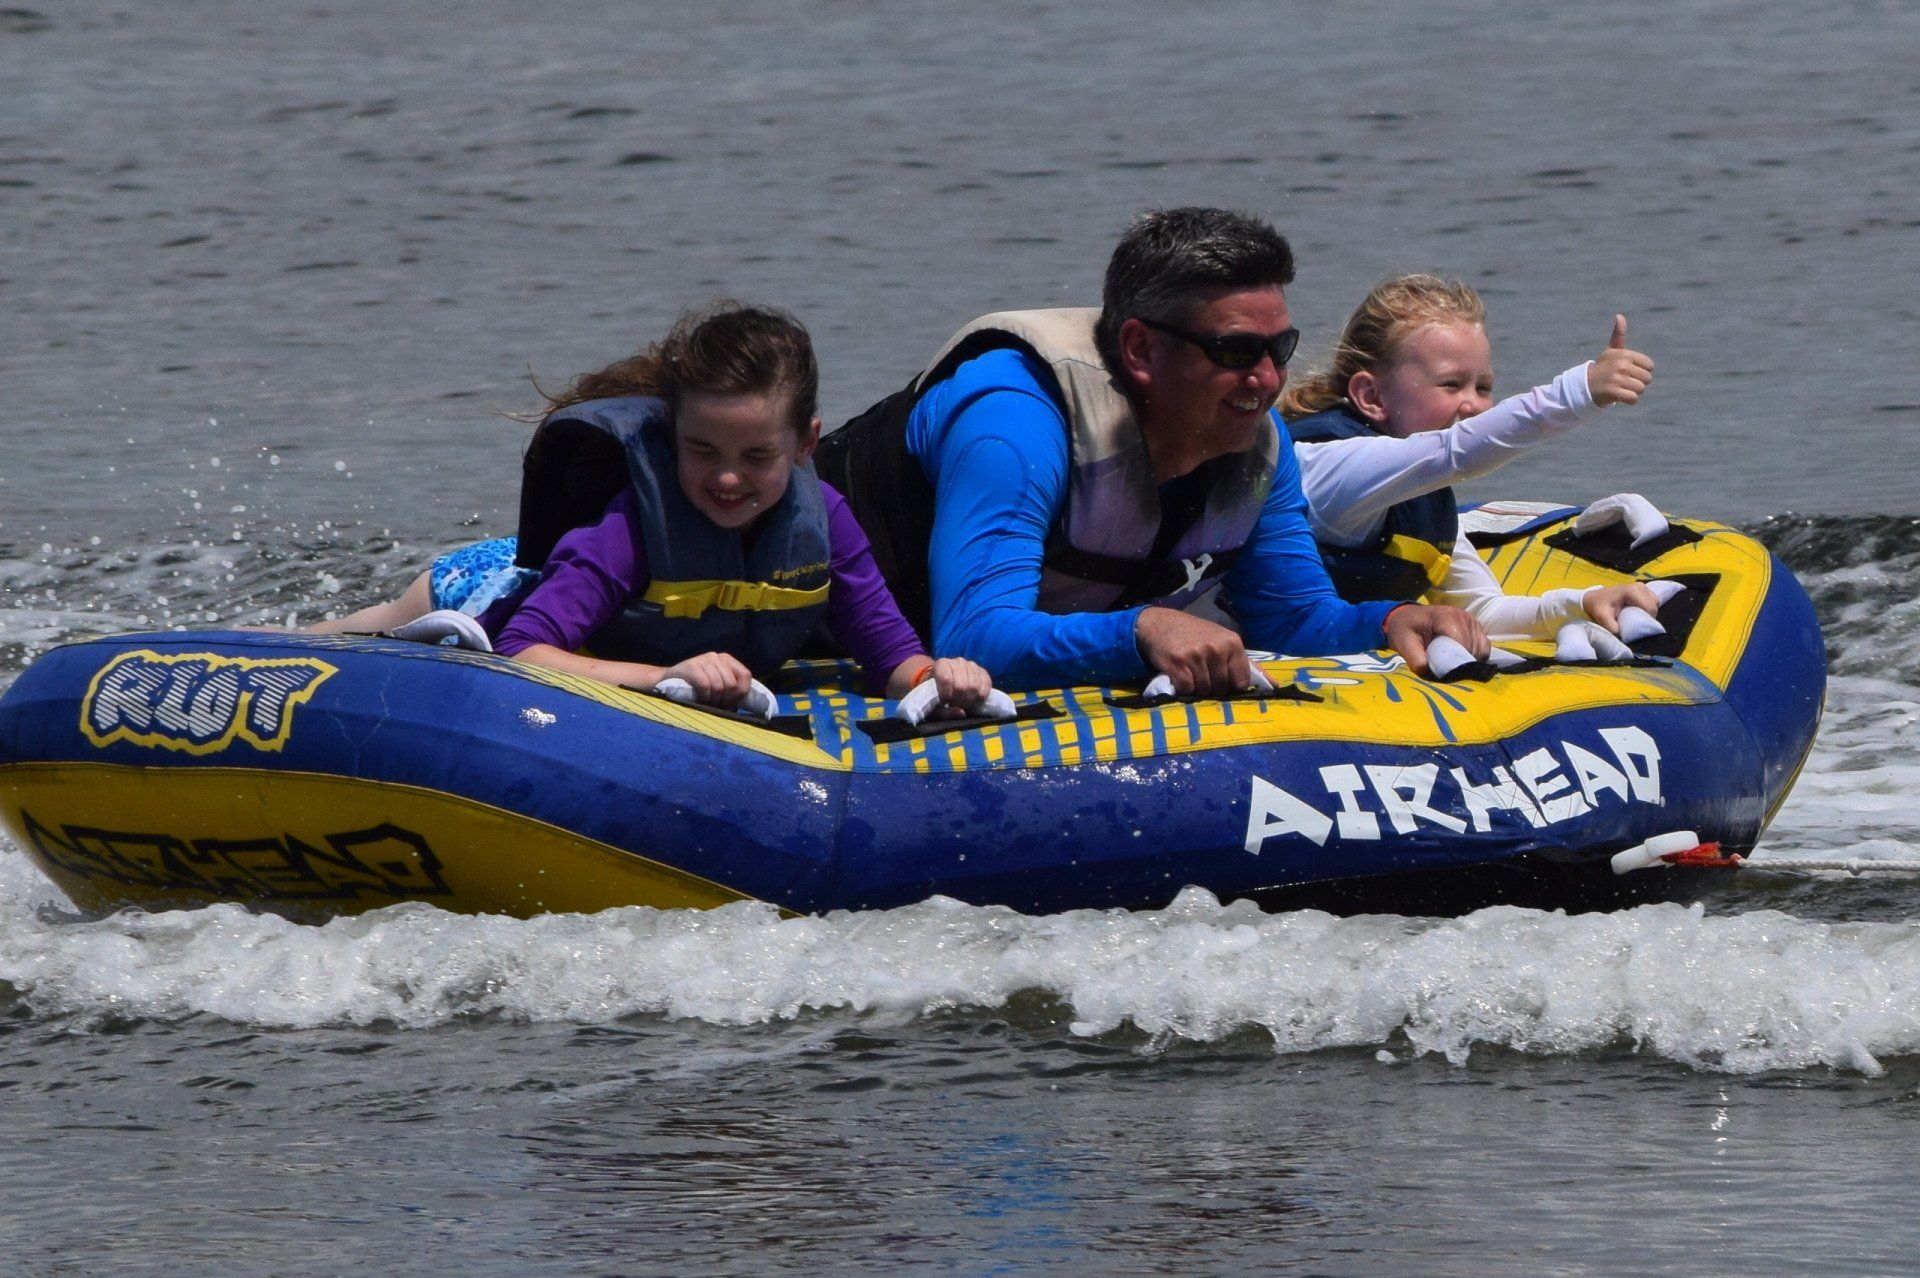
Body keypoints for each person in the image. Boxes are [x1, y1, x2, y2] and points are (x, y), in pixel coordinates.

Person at [815, 207, 1486, 695]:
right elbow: (973, 638)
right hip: (795, 627)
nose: (1267, 379)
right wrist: (1143, 630)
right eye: (1233, 351)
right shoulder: (1013, 426)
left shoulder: (1260, 443)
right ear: (1140, 350)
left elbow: (1291, 616)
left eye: (1277, 349)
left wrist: (1391, 619)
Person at [313, 303, 996, 717]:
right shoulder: (631, 528)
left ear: (805, 443)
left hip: (584, 601)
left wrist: (944, 678)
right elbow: (522, 651)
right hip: (488, 587)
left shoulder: (827, 522)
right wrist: (664, 678)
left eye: (757, 456)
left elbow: (890, 658)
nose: (728, 477)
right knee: (348, 636)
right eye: (702, 450)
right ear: (672, 436)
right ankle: (236, 643)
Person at [1278, 274, 1662, 638]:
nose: (1475, 407)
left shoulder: (1424, 498)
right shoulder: (1325, 467)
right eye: (1451, 384)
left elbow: (1482, 612)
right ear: (1372, 397)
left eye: (1483, 387)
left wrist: (1584, 602)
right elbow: (1459, 450)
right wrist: (1580, 392)